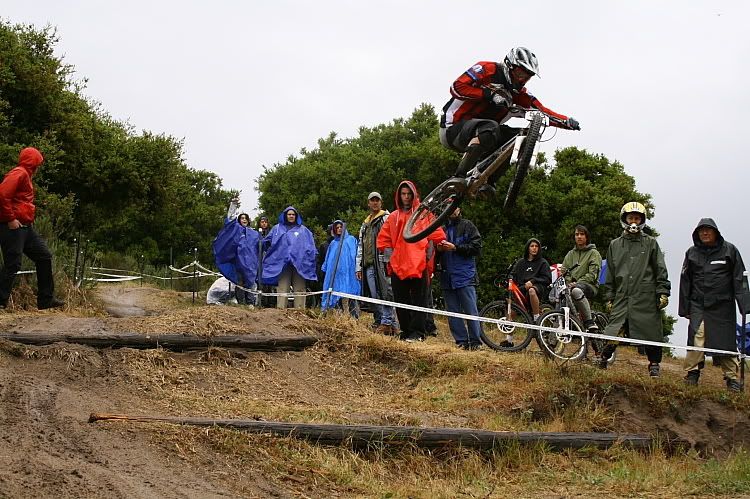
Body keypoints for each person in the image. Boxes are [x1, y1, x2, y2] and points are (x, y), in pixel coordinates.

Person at [439, 47, 580, 195]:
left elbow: (541, 111)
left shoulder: (520, 94)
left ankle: (487, 181)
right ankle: (458, 177)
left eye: (527, 77)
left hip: (483, 135)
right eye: (520, 73)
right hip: (453, 127)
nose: (522, 80)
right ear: (509, 65)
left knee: (521, 137)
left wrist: (567, 122)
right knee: (491, 126)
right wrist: (489, 94)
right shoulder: (487, 69)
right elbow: (456, 87)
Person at [600, 202, 671, 377]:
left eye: (637, 218)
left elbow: (660, 268)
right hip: (622, 295)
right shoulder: (615, 245)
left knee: (651, 331)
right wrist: (609, 297)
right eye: (631, 218)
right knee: (614, 329)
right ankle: (603, 358)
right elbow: (610, 273)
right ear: (624, 219)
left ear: (642, 220)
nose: (633, 221)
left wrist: (663, 291)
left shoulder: (651, 243)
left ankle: (654, 364)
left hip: (645, 295)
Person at [679, 218, 748, 392]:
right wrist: (684, 308)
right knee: (697, 337)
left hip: (723, 306)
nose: (705, 233)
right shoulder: (691, 253)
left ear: (716, 232)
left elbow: (740, 277)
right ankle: (692, 373)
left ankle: (732, 378)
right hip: (698, 305)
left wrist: (745, 304)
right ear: (697, 234)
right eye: (701, 230)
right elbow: (685, 280)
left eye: (708, 230)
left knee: (726, 342)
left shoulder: (730, 250)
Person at [377, 181, 446, 342]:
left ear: (414, 194)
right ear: (399, 196)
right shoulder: (393, 217)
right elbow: (383, 240)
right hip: (398, 265)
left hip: (419, 264)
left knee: (419, 300)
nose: (406, 197)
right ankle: (406, 331)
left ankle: (418, 332)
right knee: (401, 300)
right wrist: (392, 260)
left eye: (409, 194)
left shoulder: (423, 214)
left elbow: (436, 235)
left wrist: (427, 256)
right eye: (403, 194)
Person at [0, 147, 64, 310]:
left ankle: (45, 300)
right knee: (12, 264)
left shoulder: (26, 175)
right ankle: (0, 300)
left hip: (25, 227)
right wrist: (10, 219)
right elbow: (2, 194)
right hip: (13, 226)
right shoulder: (19, 173)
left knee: (44, 256)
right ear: (32, 163)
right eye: (38, 164)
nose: (39, 168)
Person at [438, 207, 482, 350]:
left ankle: (475, 342)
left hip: (465, 275)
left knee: (471, 310)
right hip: (447, 276)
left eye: (454, 206)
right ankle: (461, 341)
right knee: (452, 312)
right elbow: (431, 253)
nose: (451, 210)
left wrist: (456, 247)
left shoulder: (468, 225)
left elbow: (476, 247)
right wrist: (438, 250)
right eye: (449, 206)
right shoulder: (441, 229)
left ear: (459, 209)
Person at [355, 192, 397, 334]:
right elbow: (360, 246)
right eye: (372, 200)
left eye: (377, 200)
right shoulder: (365, 223)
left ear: (381, 202)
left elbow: (392, 239)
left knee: (386, 292)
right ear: (368, 203)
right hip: (368, 264)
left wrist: (389, 260)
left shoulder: (386, 218)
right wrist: (358, 267)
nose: (375, 203)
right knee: (374, 295)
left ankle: (388, 322)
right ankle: (381, 321)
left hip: (382, 261)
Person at [262, 206, 317, 309]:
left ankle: (299, 311)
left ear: (296, 216)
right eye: (289, 214)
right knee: (283, 289)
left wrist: (308, 260)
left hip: (299, 265)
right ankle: (281, 311)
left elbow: (311, 247)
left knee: (300, 289)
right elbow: (267, 242)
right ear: (285, 216)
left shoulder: (303, 230)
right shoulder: (277, 228)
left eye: (293, 214)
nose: (291, 216)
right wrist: (262, 243)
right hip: (282, 264)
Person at [212, 197, 260, 305]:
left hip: (251, 264)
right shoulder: (236, 230)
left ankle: (251, 303)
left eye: (246, 218)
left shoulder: (254, 233)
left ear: (248, 220)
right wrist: (233, 205)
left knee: (251, 283)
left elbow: (259, 247)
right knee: (240, 283)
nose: (244, 220)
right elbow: (230, 219)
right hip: (238, 262)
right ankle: (242, 303)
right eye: (242, 218)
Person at [560, 225, 603, 332]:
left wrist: (577, 283)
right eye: (577, 234)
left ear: (586, 237)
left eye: (582, 234)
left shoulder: (594, 253)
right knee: (560, 295)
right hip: (571, 285)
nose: (579, 236)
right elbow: (564, 271)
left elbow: (593, 275)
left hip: (589, 285)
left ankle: (589, 322)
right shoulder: (570, 254)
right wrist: (569, 281)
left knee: (576, 291)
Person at [321, 220, 360, 317]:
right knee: (336, 294)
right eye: (337, 228)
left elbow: (354, 255)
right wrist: (326, 268)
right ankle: (339, 317)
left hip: (348, 273)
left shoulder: (351, 240)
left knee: (350, 293)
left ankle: (354, 317)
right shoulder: (333, 243)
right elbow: (329, 259)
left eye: (340, 227)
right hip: (336, 274)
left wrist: (356, 268)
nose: (339, 229)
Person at [510, 238, 551, 323]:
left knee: (531, 291)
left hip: (538, 287)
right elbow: (513, 275)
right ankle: (509, 326)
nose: (534, 248)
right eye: (532, 246)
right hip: (523, 287)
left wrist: (532, 281)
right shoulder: (521, 262)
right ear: (528, 248)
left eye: (536, 246)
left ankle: (536, 318)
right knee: (510, 299)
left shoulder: (543, 262)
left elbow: (547, 278)